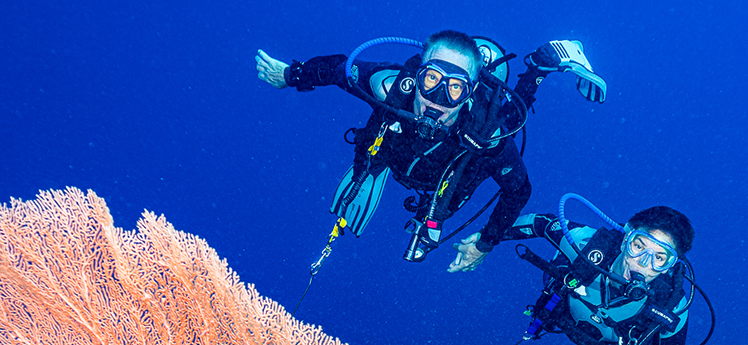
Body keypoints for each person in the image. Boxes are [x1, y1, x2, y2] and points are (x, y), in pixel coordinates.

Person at [255, 31, 605, 271]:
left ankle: (540, 65)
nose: (437, 100)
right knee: (373, 150)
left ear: (470, 93)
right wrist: (291, 74)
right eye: (432, 80)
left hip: (455, 169)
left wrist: (486, 242)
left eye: (454, 88)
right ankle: (373, 170)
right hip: (393, 154)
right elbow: (339, 69)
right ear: (418, 74)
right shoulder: (391, 87)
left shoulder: (487, 132)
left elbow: (519, 190)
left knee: (511, 111)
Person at [507, 206, 697, 345]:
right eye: (638, 246)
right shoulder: (588, 245)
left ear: (669, 266)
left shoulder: (671, 306)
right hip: (562, 314)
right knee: (562, 270)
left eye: (660, 258)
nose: (643, 263)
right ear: (626, 237)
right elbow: (541, 223)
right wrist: (485, 241)